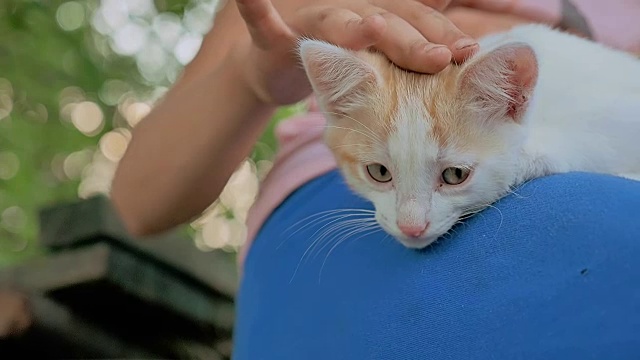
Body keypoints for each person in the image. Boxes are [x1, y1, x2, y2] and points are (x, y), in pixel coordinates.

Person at [110, 0, 640, 358]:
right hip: (333, 191)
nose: (412, 225)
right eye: (381, 174)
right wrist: (253, 74)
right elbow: (140, 202)